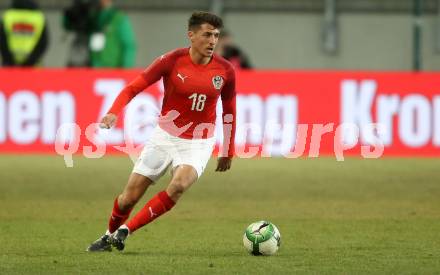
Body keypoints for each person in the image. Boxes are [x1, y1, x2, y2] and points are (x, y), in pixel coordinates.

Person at [87, 11, 236, 252]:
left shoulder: (225, 70)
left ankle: (126, 230)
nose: (212, 41)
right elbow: (133, 87)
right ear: (191, 35)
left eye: (216, 35)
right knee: (128, 198)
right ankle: (108, 236)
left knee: (178, 186)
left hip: (198, 142)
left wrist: (227, 149)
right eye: (207, 34)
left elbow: (229, 110)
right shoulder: (171, 60)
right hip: (164, 137)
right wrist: (114, 112)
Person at [0, 0, 49, 67]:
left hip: (9, 67)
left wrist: (10, 61)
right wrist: (29, 62)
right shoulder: (39, 17)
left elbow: (2, 41)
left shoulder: (8, 16)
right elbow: (43, 43)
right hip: (33, 67)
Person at [89, 0, 136, 67]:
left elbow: (128, 46)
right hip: (93, 68)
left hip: (113, 69)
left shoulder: (118, 18)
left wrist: (126, 70)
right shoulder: (92, 17)